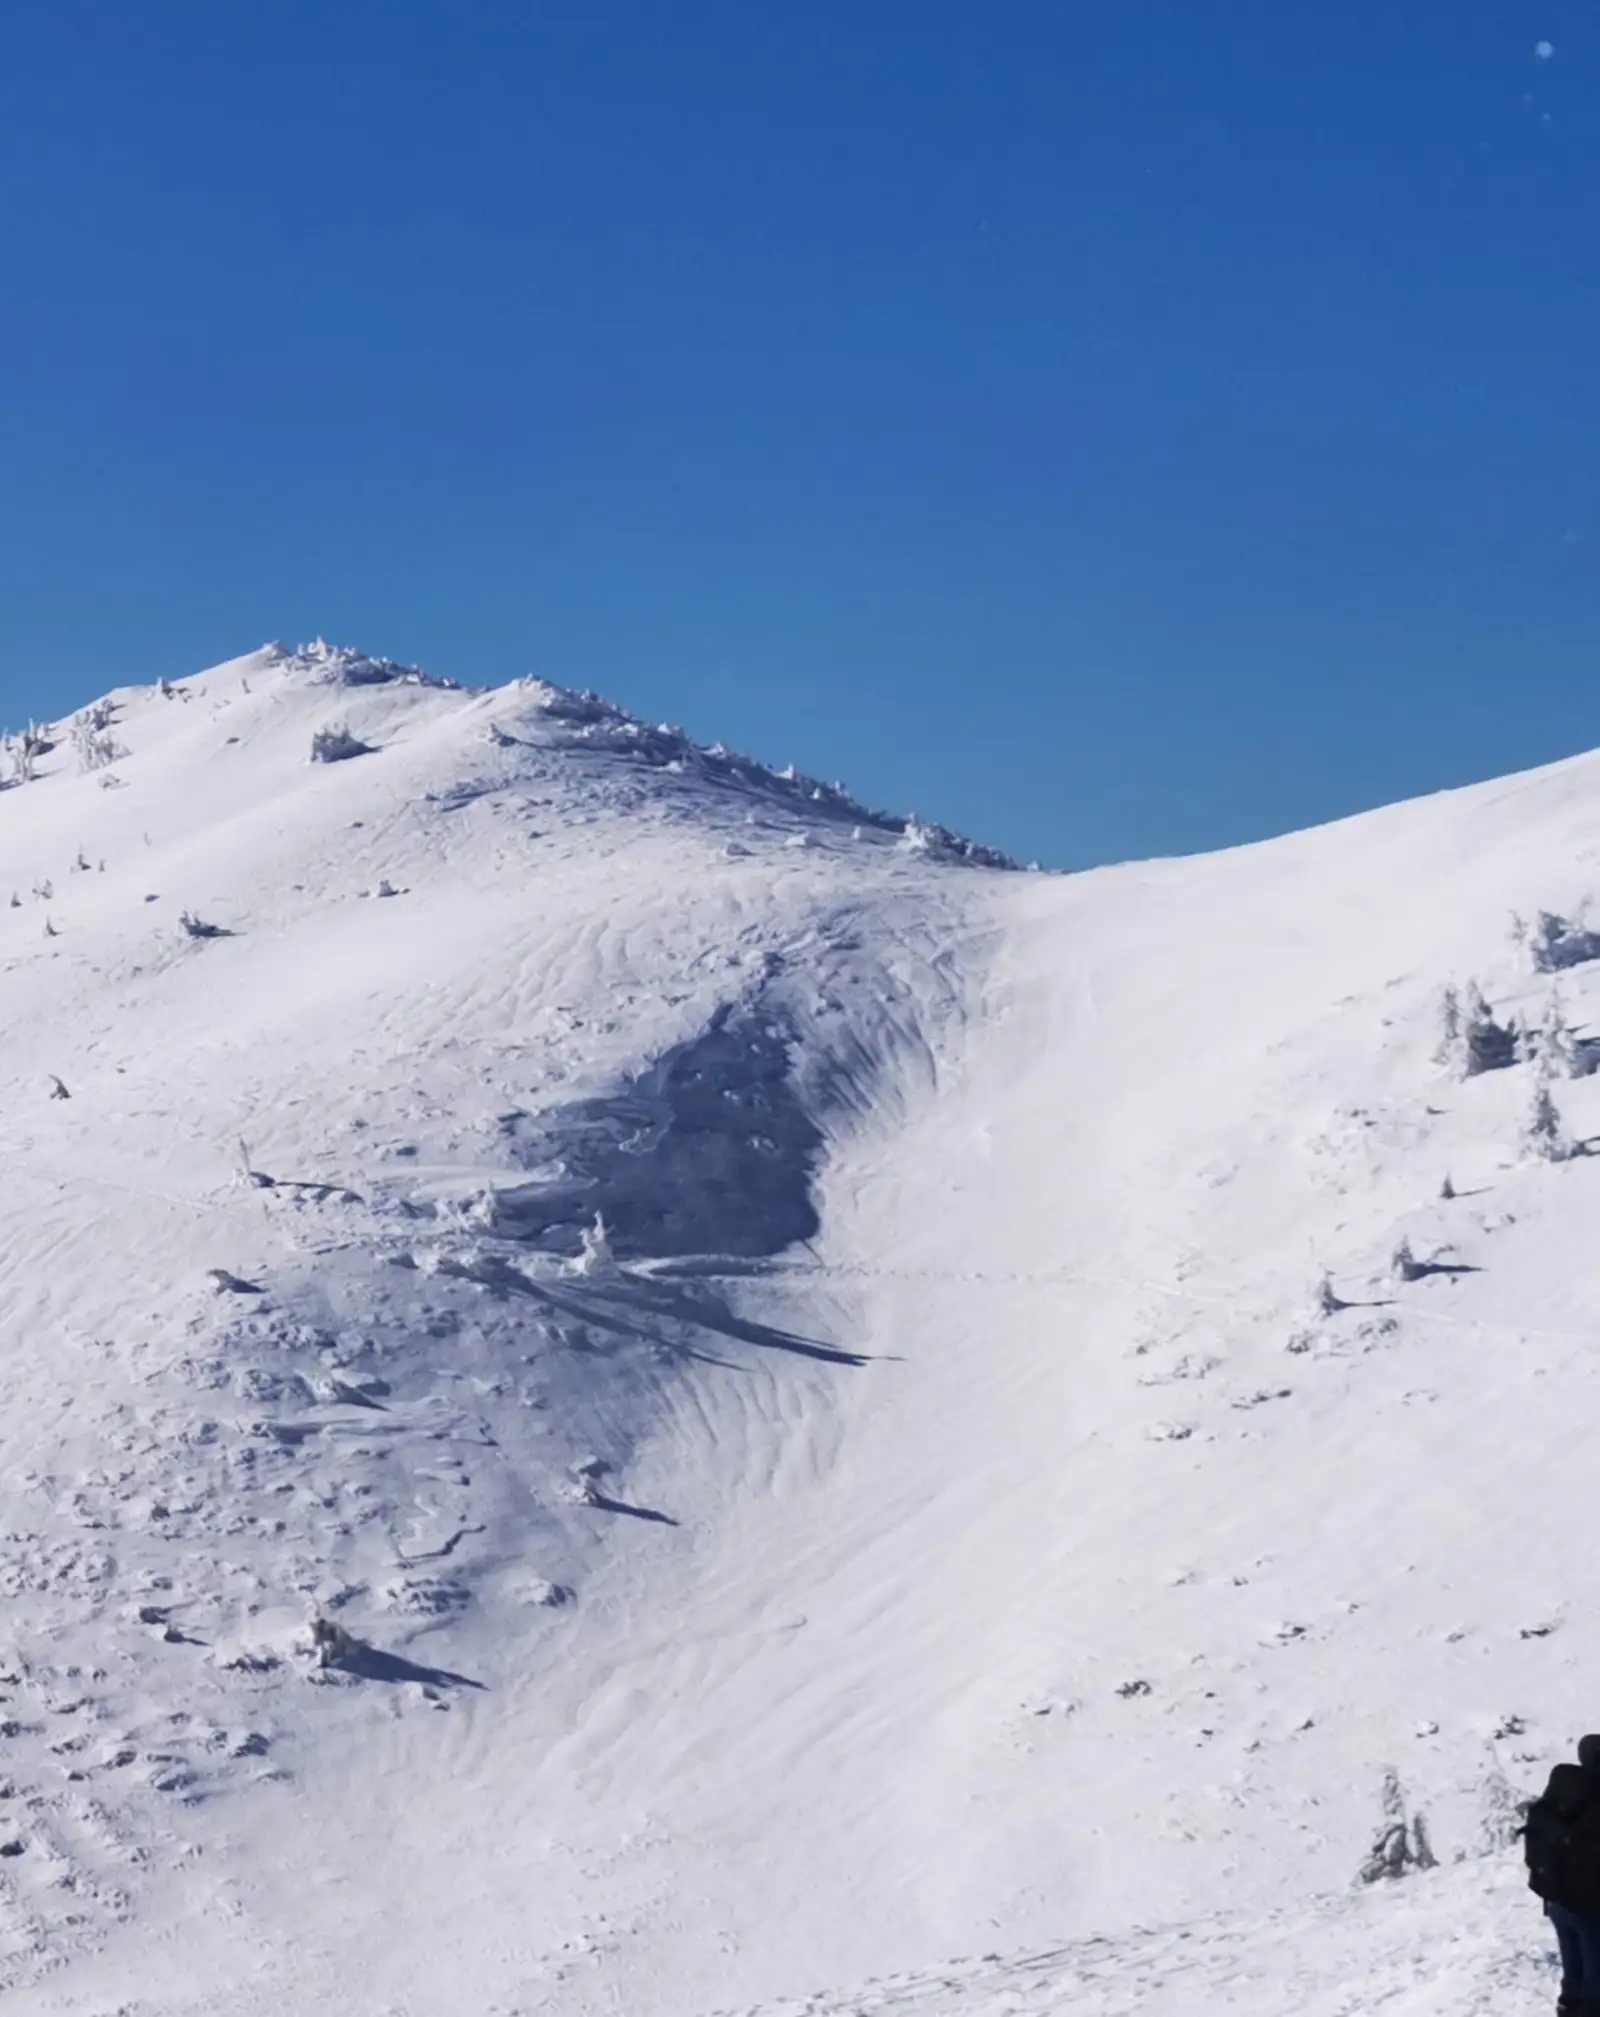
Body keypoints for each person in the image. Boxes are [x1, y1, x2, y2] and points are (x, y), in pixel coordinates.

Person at [1527, 1736, 1600, 2017]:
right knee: (1595, 1991)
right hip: (1590, 1908)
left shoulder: (1564, 1788)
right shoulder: (1596, 1796)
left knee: (1573, 1979)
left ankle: (1568, 2008)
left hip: (1558, 1900)